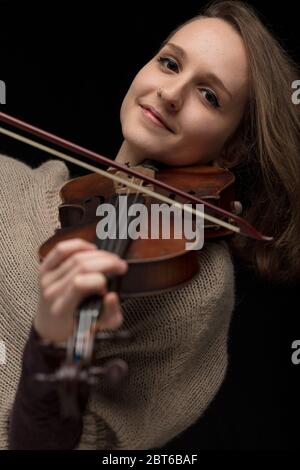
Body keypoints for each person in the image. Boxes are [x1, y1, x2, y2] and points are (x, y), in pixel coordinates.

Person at [0, 0, 299, 449]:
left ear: (233, 149)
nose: (171, 93)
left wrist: (53, 345)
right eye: (170, 63)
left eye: (209, 95)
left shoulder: (194, 286)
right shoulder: (11, 180)